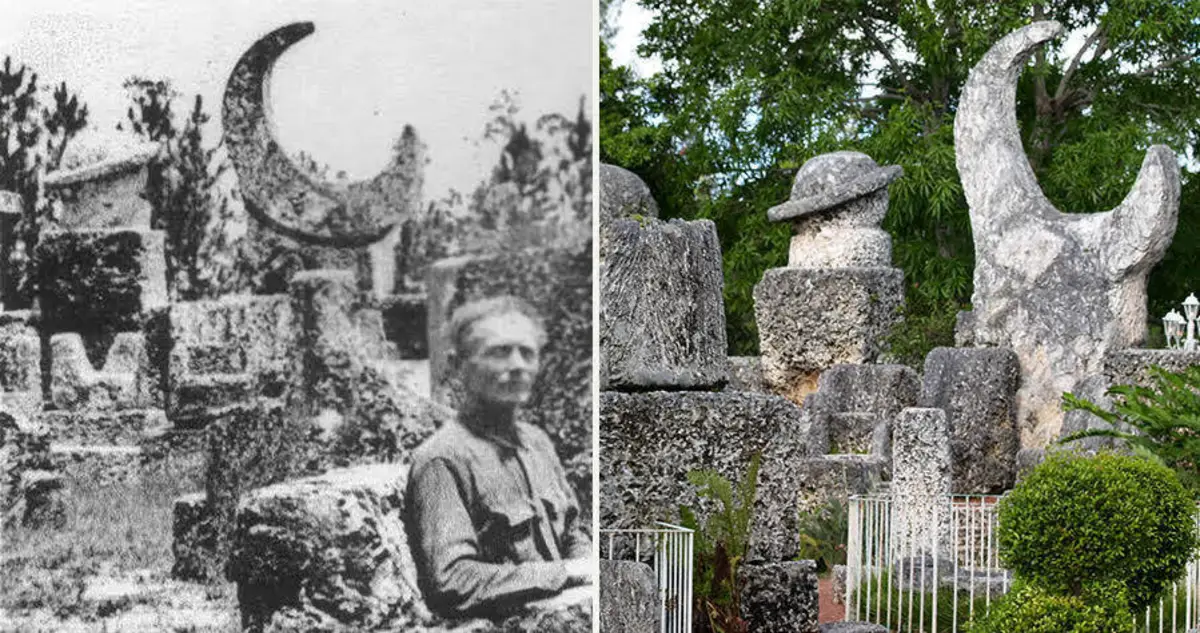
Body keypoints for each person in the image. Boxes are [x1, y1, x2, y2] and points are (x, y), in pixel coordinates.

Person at [405, 295, 591, 619]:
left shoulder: (538, 444)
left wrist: (584, 570)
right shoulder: (442, 460)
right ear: (456, 366)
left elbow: (573, 534)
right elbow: (452, 580)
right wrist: (564, 574)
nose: (518, 365)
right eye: (499, 352)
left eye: (527, 353)